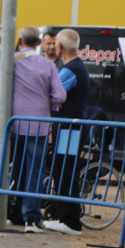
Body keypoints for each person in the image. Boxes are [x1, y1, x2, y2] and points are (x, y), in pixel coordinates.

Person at [8, 26, 66, 232]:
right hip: (40, 125)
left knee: (15, 168)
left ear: (20, 41)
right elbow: (59, 95)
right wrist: (48, 105)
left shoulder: (11, 61)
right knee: (35, 171)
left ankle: (10, 210)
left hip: (14, 124)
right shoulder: (47, 65)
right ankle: (31, 218)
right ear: (39, 43)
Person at [43, 29, 90, 235]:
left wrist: (56, 102)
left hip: (69, 129)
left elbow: (53, 94)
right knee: (65, 167)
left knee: (64, 168)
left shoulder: (70, 69)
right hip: (71, 128)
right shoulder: (77, 67)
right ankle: (68, 218)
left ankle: (69, 221)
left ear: (60, 47)